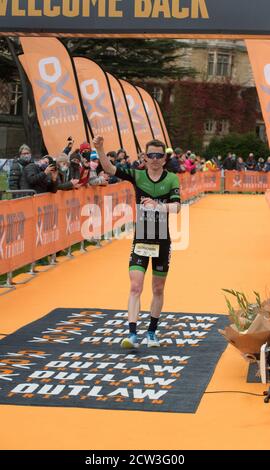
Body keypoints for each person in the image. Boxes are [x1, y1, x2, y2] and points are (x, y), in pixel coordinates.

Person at [94, 135, 181, 349]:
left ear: (164, 159)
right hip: (141, 240)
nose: (154, 159)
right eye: (150, 154)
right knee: (135, 286)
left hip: (162, 241)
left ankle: (151, 332)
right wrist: (100, 147)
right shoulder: (137, 175)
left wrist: (157, 206)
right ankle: (132, 334)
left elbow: (177, 207)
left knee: (158, 288)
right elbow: (109, 168)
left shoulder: (171, 179)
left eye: (158, 155)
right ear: (144, 156)